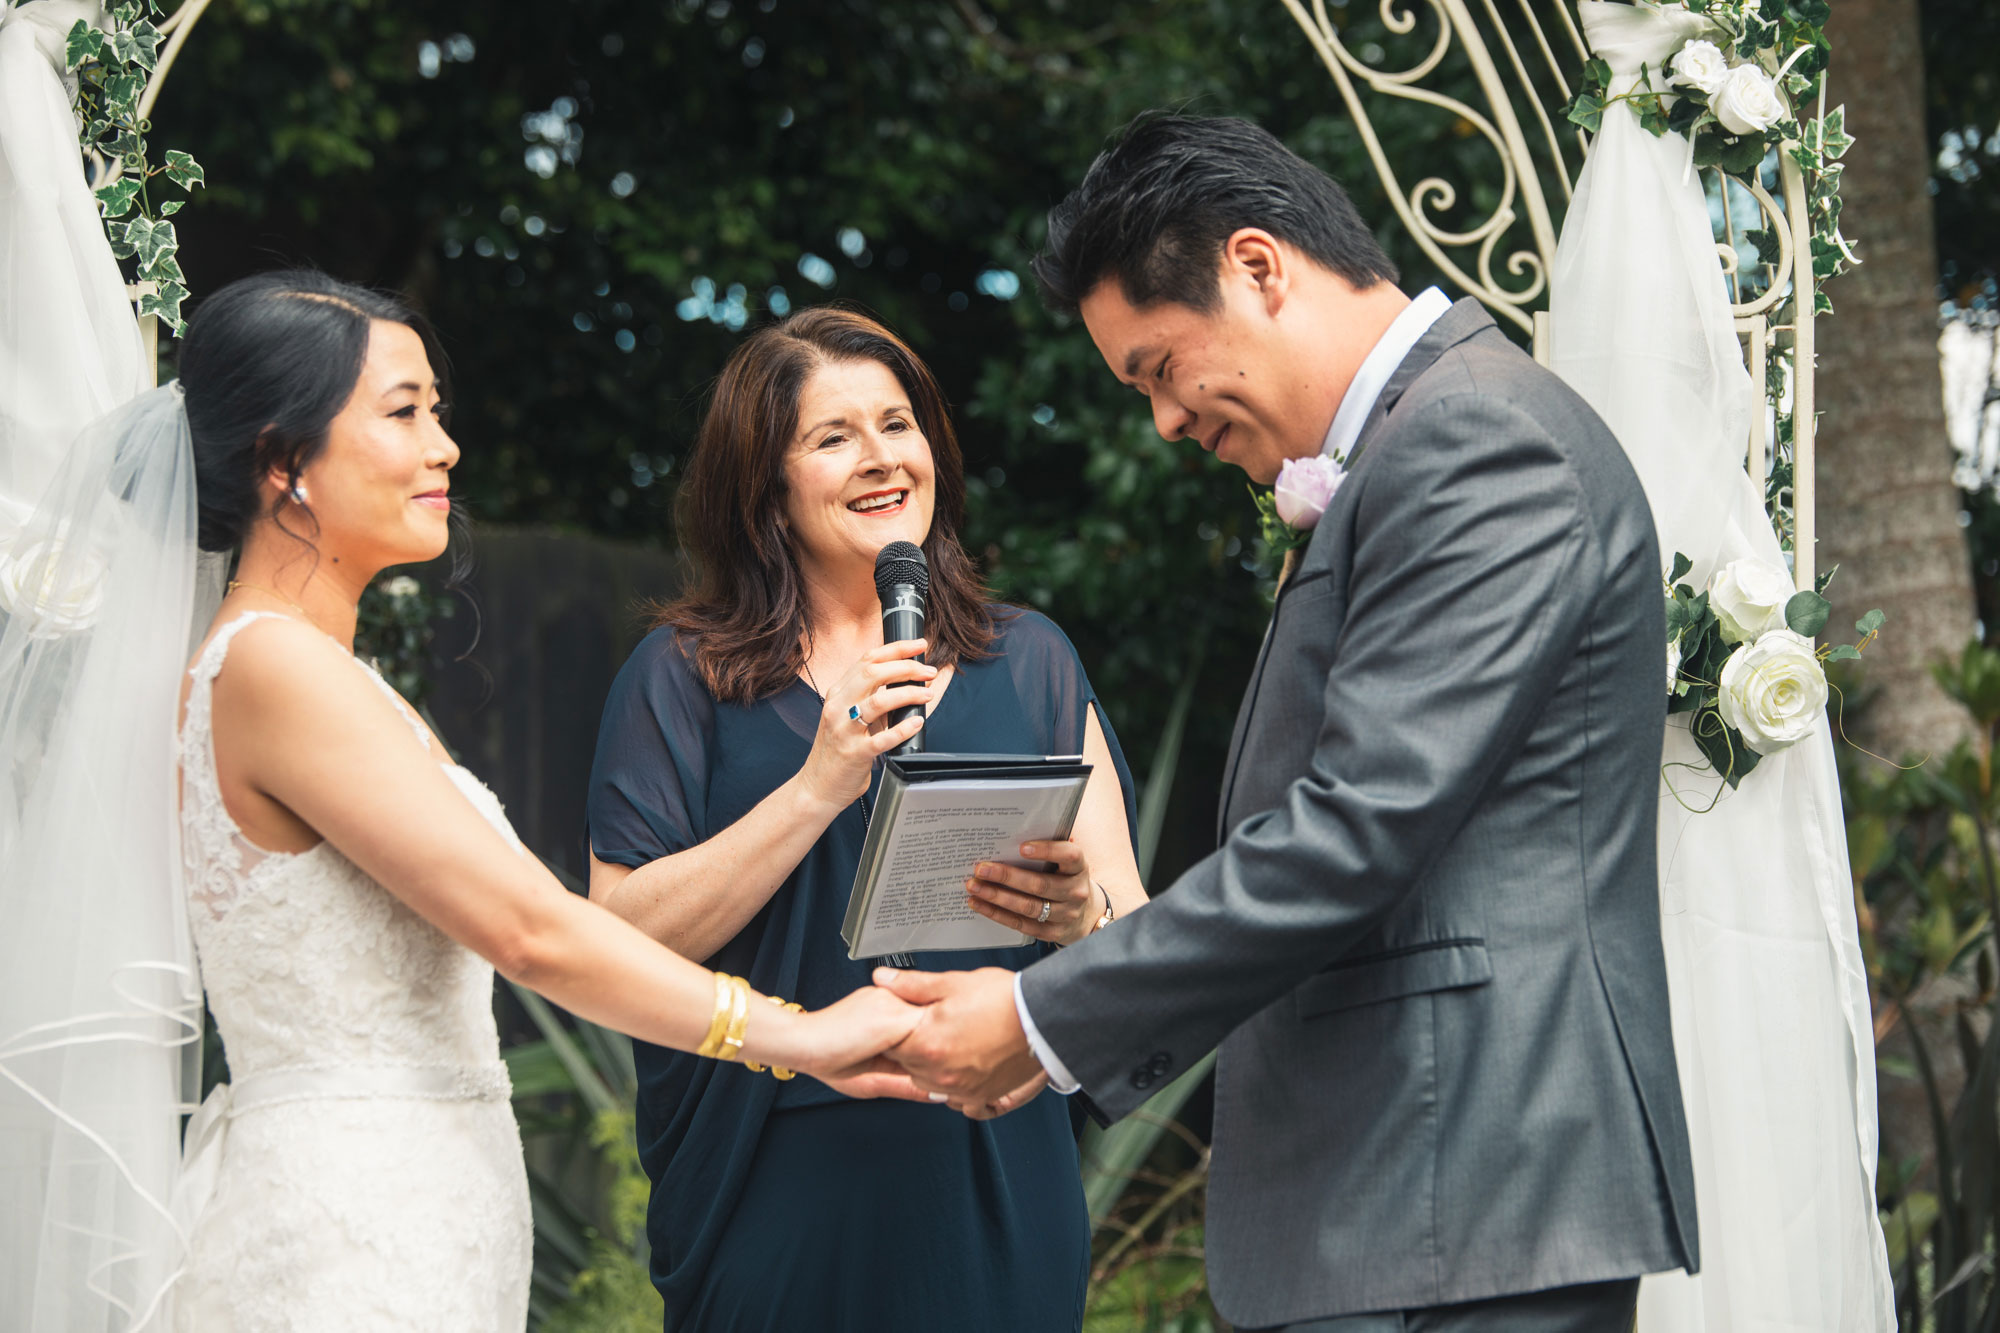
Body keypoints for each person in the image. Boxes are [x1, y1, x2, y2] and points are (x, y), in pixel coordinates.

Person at [879, 113, 1700, 1332]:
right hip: (1409, 1197)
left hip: (1461, 1183)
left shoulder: (1476, 438)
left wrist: (1042, 1017)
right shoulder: (1412, 446)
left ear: (1258, 267)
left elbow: (1355, 825)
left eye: (1157, 367)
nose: (1161, 420)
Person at [0, 270, 925, 1331]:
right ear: (281, 460)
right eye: (403, 412)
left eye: (437, 410)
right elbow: (532, 933)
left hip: (418, 1213)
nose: (444, 447)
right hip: (345, 1235)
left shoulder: (328, 678)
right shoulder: (271, 670)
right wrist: (796, 1035)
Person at [585, 305, 1146, 1332]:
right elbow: (614, 941)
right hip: (775, 1180)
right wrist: (817, 785)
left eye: (898, 424)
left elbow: (1130, 928)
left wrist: (1078, 916)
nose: (881, 459)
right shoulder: (680, 677)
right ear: (766, 487)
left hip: (994, 1173)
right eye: (832, 436)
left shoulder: (1030, 660)